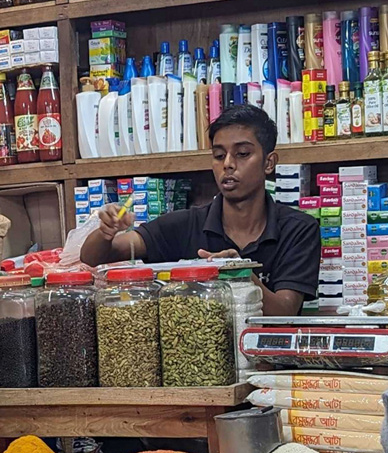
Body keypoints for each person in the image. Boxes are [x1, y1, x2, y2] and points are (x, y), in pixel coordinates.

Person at [80, 104, 319, 316]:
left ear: (269, 162)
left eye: (242, 154)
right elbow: (93, 257)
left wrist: (238, 273)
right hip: (197, 362)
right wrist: (106, 232)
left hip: (268, 362)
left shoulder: (298, 229)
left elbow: (284, 314)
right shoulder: (184, 225)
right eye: (218, 155)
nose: (228, 164)